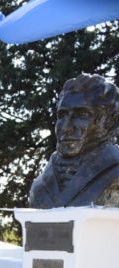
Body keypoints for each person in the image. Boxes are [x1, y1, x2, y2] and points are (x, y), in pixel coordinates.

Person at [30, 73, 119, 208]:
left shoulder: (115, 173)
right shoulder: (40, 184)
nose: (66, 128)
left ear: (110, 122)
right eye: (62, 115)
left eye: (82, 115)